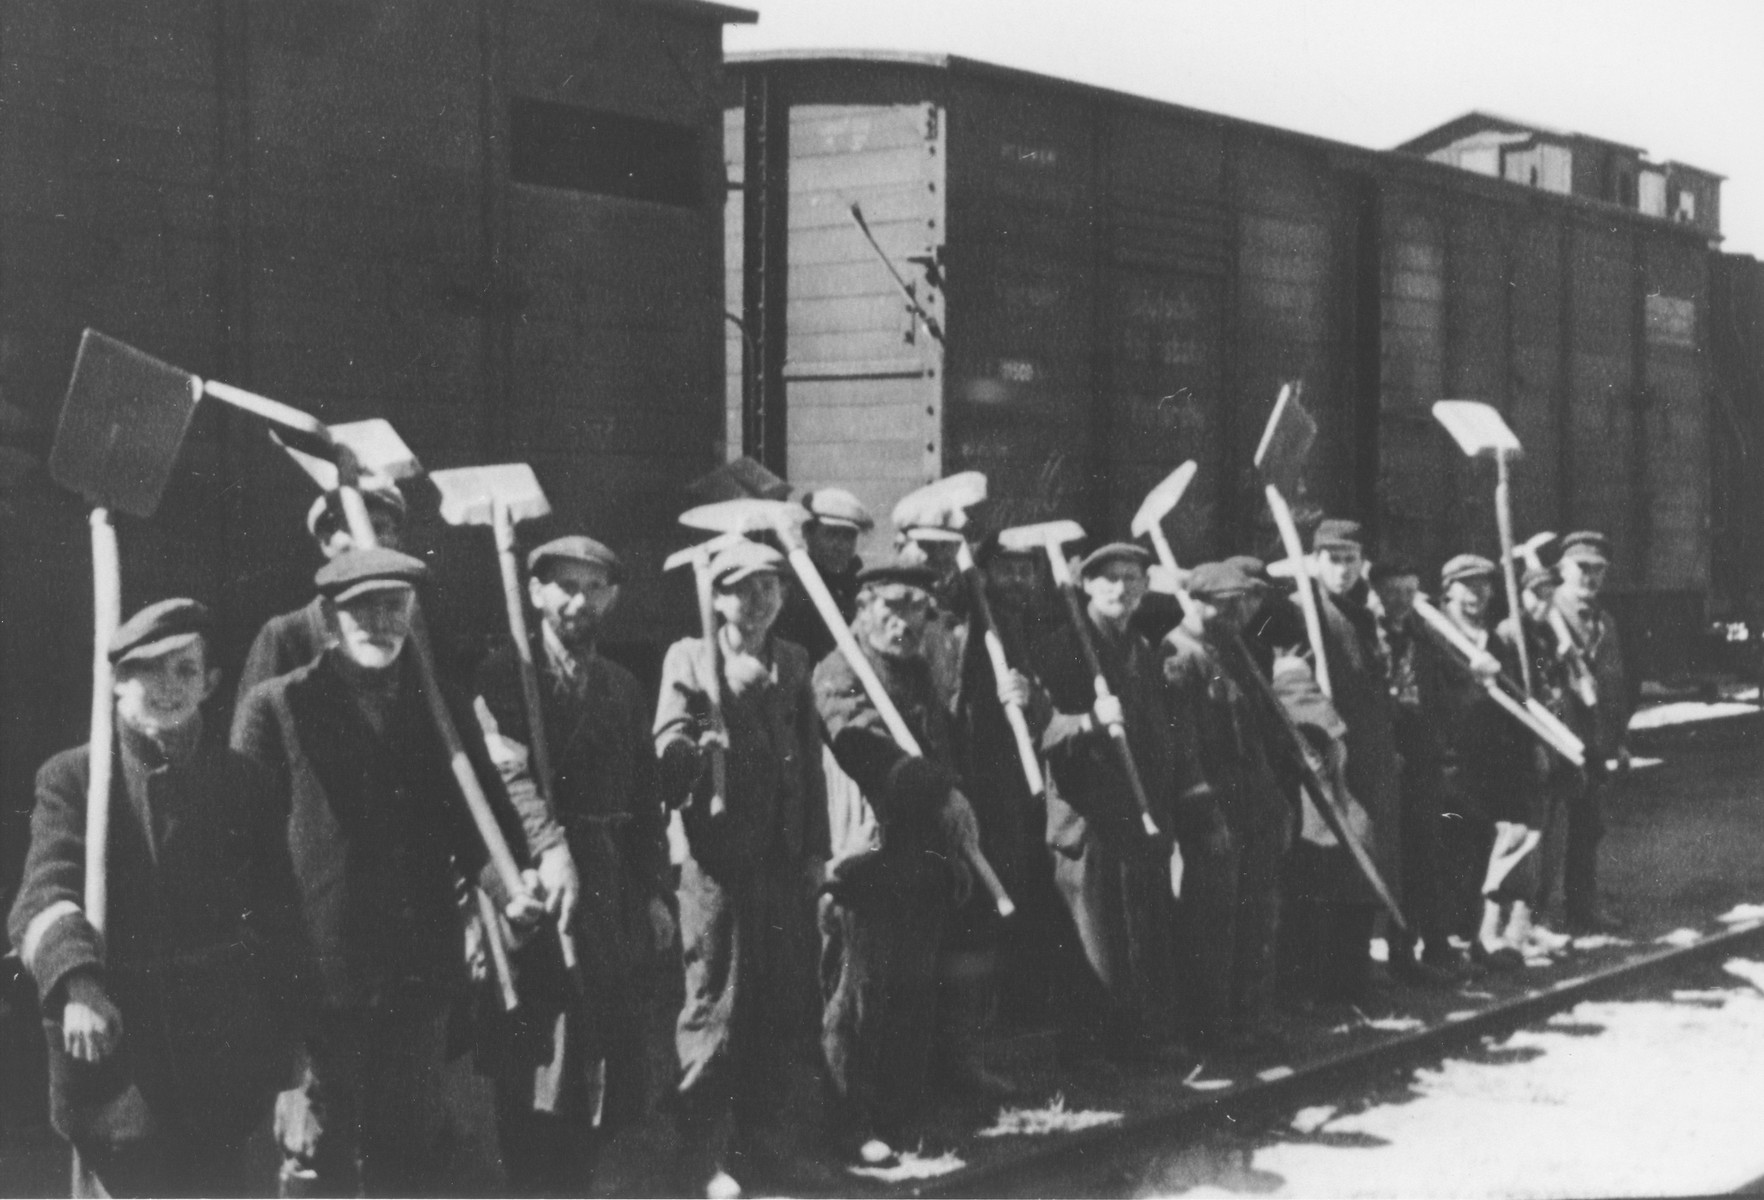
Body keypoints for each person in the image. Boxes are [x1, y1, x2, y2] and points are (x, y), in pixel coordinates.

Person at [233, 548, 544, 1196]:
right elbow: (245, 848)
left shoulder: (442, 708)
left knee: (409, 1150)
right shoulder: (278, 706)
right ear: (330, 616)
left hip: (415, 972)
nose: (380, 621)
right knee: (317, 1155)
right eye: (362, 608)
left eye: (394, 607)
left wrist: (508, 891)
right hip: (318, 976)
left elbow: (476, 826)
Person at [10, 600, 309, 1198]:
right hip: (119, 1065)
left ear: (210, 684)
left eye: (184, 671)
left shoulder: (244, 782)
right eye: (147, 670)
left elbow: (280, 920)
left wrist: (294, 1052)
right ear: (115, 684)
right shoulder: (75, 779)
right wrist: (79, 983)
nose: (167, 688)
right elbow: (43, 894)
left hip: (223, 1059)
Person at [473, 534, 672, 1195]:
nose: (578, 601)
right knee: (537, 1051)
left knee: (600, 1048)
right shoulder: (505, 676)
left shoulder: (622, 687)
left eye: (594, 588)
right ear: (534, 593)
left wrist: (654, 890)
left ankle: (581, 1179)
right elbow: (508, 780)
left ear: (612, 598)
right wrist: (548, 847)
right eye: (564, 586)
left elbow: (646, 797)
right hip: (532, 883)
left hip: (609, 884)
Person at [653, 540, 829, 1198]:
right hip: (720, 861)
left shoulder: (793, 660)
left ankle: (765, 1146)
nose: (757, 602)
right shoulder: (694, 658)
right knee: (716, 1004)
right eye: (741, 589)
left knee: (778, 1002)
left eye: (769, 588)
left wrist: (815, 849)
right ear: (715, 597)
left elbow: (809, 765)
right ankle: (702, 1156)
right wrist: (698, 742)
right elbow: (674, 743)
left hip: (782, 861)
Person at [812, 559, 982, 1165]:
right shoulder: (839, 671)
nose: (904, 620)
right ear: (863, 606)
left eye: (916, 608)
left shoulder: (918, 674)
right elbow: (865, 750)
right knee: (858, 999)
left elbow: (940, 753)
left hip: (923, 859)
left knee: (913, 995)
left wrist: (955, 849)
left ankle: (900, 1118)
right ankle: (849, 1126)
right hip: (865, 862)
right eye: (892, 605)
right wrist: (941, 791)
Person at [1034, 543, 1218, 1066]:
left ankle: (1140, 1041)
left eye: (1131, 578)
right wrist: (1089, 721)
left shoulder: (1142, 650)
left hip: (1142, 814)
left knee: (1140, 931)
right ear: (1087, 585)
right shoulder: (1063, 648)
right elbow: (1040, 733)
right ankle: (1089, 1056)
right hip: (1087, 821)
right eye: (1108, 578)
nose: (1120, 588)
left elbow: (1166, 735)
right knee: (1093, 940)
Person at [1161, 561, 1296, 1050]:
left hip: (1252, 802)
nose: (1239, 612)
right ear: (1198, 603)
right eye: (1227, 604)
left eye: (1243, 602)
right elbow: (1183, 748)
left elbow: (1256, 734)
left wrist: (1274, 799)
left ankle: (1249, 1018)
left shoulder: (1232, 652)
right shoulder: (1178, 656)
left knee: (1255, 912)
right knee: (1212, 919)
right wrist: (1205, 815)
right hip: (1213, 807)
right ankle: (1210, 1028)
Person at [1431, 554, 1547, 968]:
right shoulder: (1436, 634)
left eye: (1483, 586)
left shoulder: (1494, 640)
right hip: (1452, 760)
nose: (1476, 595)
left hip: (1494, 761)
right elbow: (1435, 699)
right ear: (1448, 590)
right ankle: (1455, 940)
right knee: (1456, 849)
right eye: (1466, 586)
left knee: (1493, 847)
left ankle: (1487, 938)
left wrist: (1530, 745)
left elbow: (1514, 699)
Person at [1303, 519, 1401, 1001]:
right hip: (1332, 756)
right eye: (1333, 559)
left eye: (1351, 560)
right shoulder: (1302, 609)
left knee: (1366, 864)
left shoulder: (1362, 611)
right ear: (1315, 562)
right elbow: (1272, 657)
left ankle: (1355, 974)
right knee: (1334, 868)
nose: (1342, 570)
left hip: (1371, 761)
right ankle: (1330, 986)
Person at [232, 477, 408, 716]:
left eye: (378, 528)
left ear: (397, 542)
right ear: (326, 542)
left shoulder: (408, 632)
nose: (369, 541)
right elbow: (252, 728)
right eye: (352, 528)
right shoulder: (286, 635)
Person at [1369, 559, 1462, 982]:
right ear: (1377, 594)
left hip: (1422, 758)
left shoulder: (1422, 637)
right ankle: (1399, 954)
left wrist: (1440, 745)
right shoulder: (1371, 636)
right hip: (1388, 758)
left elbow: (1441, 692)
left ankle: (1434, 948)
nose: (1401, 602)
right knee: (1394, 858)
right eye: (1393, 593)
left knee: (1427, 853)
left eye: (1410, 593)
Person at [1551, 532, 1631, 933]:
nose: (1591, 577)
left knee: (1588, 829)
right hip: (1559, 739)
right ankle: (1533, 921)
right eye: (1583, 568)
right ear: (1563, 569)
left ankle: (1582, 910)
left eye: (1598, 570)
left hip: (1596, 741)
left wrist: (1619, 740)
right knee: (1548, 833)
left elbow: (1615, 685)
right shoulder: (1548, 616)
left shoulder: (1606, 620)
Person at [775, 488, 871, 666]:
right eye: (832, 534)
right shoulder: (793, 589)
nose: (841, 546)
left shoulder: (860, 586)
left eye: (849, 536)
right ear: (807, 533)